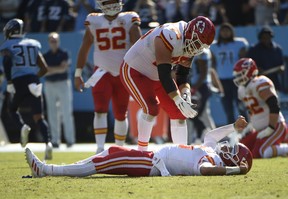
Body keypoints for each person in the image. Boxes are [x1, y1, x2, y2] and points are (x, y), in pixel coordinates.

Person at [25, 116, 253, 178]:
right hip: (152, 158)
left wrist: (235, 171)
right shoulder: (212, 151)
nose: (228, 148)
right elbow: (211, 135)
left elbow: (204, 170)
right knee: (107, 156)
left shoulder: (213, 162)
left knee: (107, 157)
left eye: (233, 151)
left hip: (151, 164)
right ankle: (47, 169)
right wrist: (233, 126)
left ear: (234, 161)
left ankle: (46, 170)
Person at [120, 15, 215, 151]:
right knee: (151, 108)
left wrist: (185, 93)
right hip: (135, 70)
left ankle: (182, 154)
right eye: (198, 43)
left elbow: (182, 75)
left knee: (179, 113)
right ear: (190, 33)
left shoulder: (190, 41)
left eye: (201, 46)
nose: (197, 48)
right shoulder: (170, 34)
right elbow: (164, 74)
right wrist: (177, 98)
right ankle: (141, 153)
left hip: (156, 74)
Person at [74, 0, 142, 153]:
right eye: (108, 2)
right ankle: (99, 149)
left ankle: (119, 149)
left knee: (120, 112)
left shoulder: (129, 19)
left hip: (122, 73)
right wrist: (78, 73)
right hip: (101, 72)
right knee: (99, 109)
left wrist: (139, 70)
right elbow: (85, 47)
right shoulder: (94, 20)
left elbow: (138, 44)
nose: (111, 5)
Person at [0, 18, 53, 160]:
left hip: (19, 82)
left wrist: (10, 82)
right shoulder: (33, 44)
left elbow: (6, 61)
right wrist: (33, 78)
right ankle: (48, 144)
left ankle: (23, 127)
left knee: (11, 109)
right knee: (39, 117)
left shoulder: (8, 45)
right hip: (34, 81)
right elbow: (44, 68)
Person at [233, 58, 288, 158]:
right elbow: (252, 111)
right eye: (237, 75)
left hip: (276, 126)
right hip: (259, 129)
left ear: (250, 71)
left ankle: (284, 148)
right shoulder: (241, 90)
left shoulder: (260, 83)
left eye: (242, 73)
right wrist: (250, 126)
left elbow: (274, 105)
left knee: (262, 152)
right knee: (242, 150)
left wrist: (271, 128)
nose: (239, 77)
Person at [210, 22, 249, 124]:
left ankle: (246, 127)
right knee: (227, 107)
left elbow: (243, 61)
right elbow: (213, 64)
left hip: (237, 79)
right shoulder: (214, 46)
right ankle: (231, 129)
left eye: (228, 30)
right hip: (222, 79)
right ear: (220, 32)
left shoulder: (239, 43)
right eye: (223, 30)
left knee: (240, 104)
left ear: (232, 31)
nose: (226, 33)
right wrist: (214, 80)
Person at [43, 32, 75, 148]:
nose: (54, 43)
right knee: (52, 113)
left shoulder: (64, 53)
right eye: (52, 41)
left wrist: (51, 69)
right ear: (48, 42)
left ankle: (70, 140)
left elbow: (63, 69)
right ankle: (55, 140)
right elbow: (45, 70)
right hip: (50, 84)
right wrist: (58, 69)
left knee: (66, 112)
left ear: (59, 41)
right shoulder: (45, 55)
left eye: (55, 41)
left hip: (63, 84)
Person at [247, 26, 285, 92]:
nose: (266, 39)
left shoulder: (277, 49)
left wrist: (280, 69)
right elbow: (249, 65)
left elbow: (281, 64)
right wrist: (256, 69)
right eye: (263, 37)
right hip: (259, 81)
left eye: (268, 37)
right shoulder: (253, 49)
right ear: (260, 38)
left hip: (274, 81)